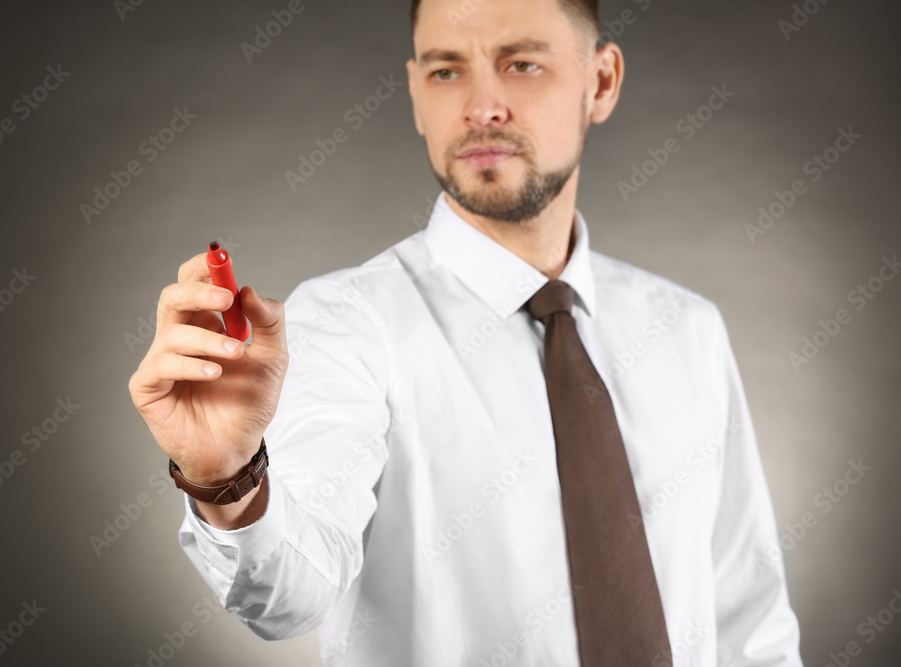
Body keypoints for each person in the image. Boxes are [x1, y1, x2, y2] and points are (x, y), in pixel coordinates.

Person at [128, 0, 804, 664]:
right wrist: (226, 477)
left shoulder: (688, 331)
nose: (481, 105)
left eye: (521, 64)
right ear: (418, 96)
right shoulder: (346, 324)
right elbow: (288, 596)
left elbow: (751, 626)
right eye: (446, 71)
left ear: (601, 81)